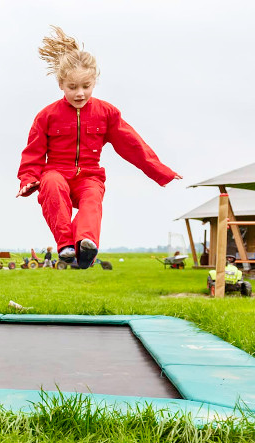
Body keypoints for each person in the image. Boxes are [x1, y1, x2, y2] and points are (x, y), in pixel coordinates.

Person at [16, 26, 182, 269]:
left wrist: (160, 170)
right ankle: (65, 246)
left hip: (89, 174)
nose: (80, 93)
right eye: (72, 87)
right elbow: (33, 153)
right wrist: (28, 179)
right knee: (51, 183)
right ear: (61, 84)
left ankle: (86, 243)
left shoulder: (107, 113)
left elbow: (132, 144)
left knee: (92, 199)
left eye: (86, 86)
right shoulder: (47, 116)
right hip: (57, 172)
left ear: (94, 82)